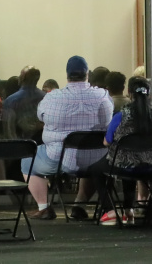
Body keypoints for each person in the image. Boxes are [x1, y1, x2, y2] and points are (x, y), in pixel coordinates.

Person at [24, 55, 113, 220]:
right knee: (89, 156)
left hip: (61, 159)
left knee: (27, 161)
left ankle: (44, 207)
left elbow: (40, 115)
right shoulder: (102, 96)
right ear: (87, 74)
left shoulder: (52, 98)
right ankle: (79, 205)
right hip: (98, 159)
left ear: (67, 75)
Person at [94, 76, 152, 225]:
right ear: (149, 93)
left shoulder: (121, 115)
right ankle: (132, 210)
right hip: (150, 166)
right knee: (132, 165)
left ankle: (111, 210)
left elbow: (107, 142)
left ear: (129, 92)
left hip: (124, 166)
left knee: (96, 170)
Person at [2, 67, 45, 141]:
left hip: (20, 144)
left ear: (22, 78)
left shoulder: (11, 101)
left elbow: (9, 132)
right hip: (42, 142)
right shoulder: (45, 97)